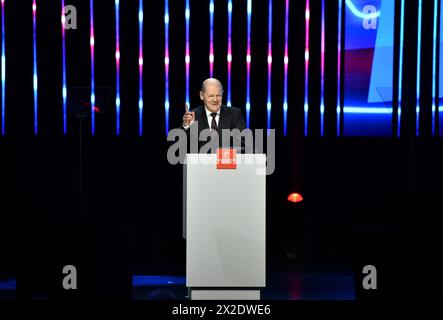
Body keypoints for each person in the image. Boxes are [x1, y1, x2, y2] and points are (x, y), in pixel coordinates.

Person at [182, 78, 246, 152]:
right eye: (211, 96)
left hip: (227, 161)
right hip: (200, 162)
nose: (215, 100)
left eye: (218, 95)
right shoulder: (192, 116)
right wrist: (186, 126)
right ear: (201, 95)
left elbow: (245, 144)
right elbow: (180, 147)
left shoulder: (235, 114)